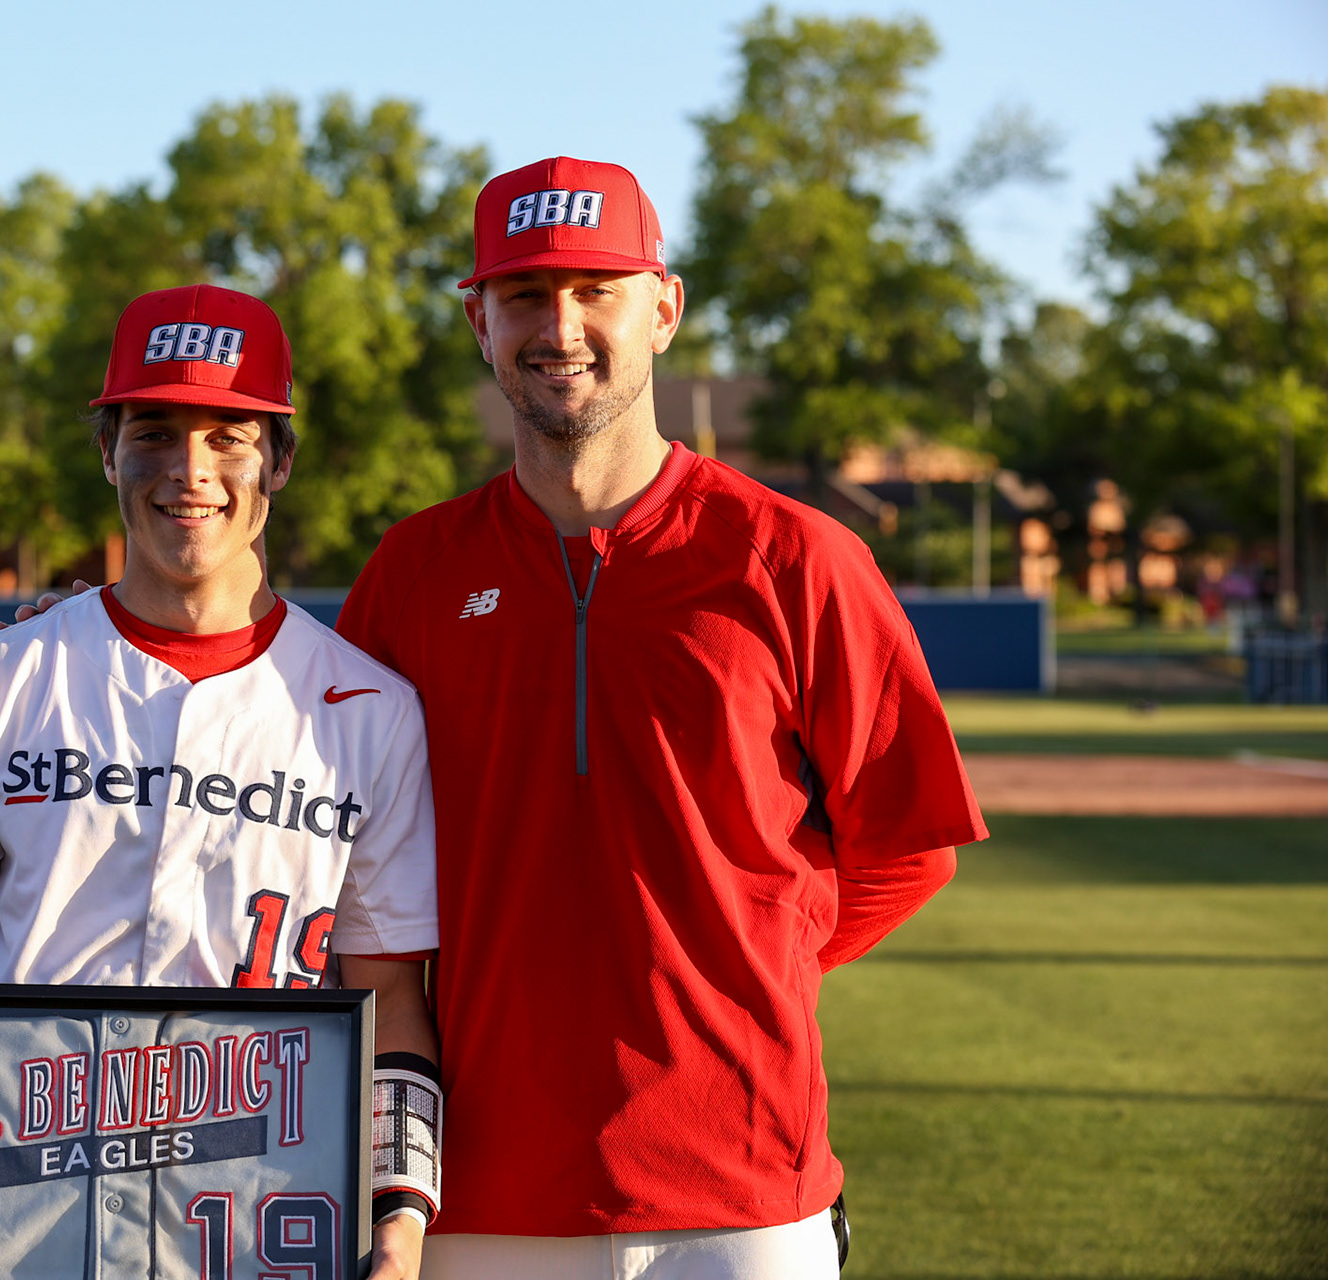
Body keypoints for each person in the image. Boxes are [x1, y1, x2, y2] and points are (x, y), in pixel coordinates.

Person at [330, 157, 990, 1279]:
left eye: (597, 290)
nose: (562, 326)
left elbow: (909, 849)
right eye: (527, 295)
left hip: (742, 1196)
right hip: (480, 1199)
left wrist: (743, 968)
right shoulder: (414, 573)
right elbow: (302, 805)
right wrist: (96, 627)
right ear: (477, 319)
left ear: (664, 308)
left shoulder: (799, 557)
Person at [0, 285, 443, 1280]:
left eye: (228, 436)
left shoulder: (369, 709)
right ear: (107, 449)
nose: (189, 471)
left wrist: (400, 1218)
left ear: (279, 459)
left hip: (261, 1216)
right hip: (14, 1204)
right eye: (153, 432)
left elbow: (393, 996)